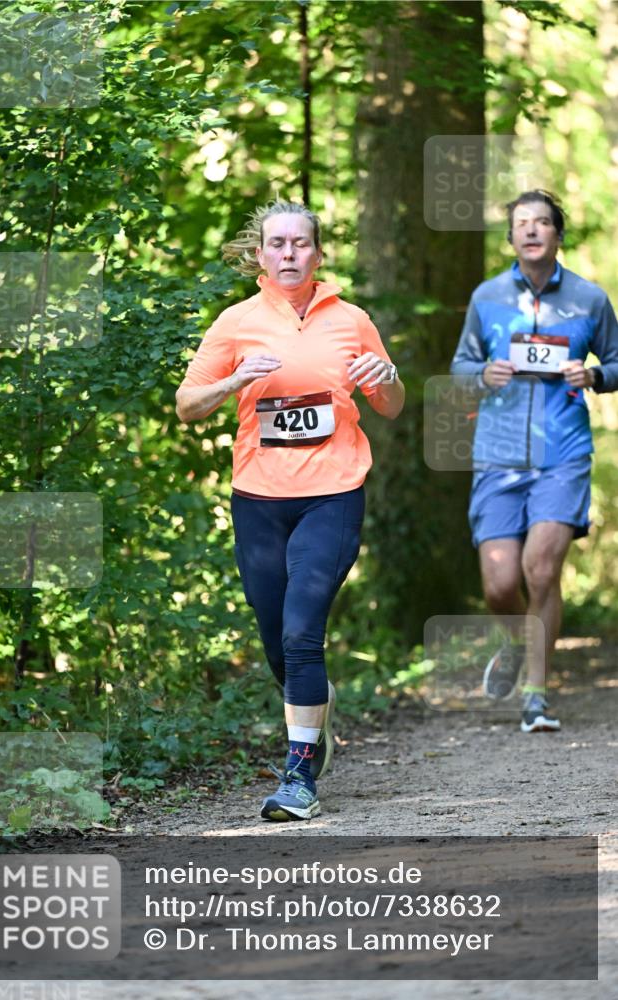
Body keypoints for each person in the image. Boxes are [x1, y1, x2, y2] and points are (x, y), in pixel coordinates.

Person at [176, 201, 404, 819]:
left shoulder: (351, 319)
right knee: (278, 637)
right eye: (276, 244)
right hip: (258, 500)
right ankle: (315, 708)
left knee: (304, 629)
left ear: (318, 255)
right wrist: (234, 380)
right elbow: (187, 404)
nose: (288, 254)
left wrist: (385, 376)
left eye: (300, 244)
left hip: (332, 493)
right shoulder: (236, 322)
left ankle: (299, 778)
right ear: (260, 255)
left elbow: (390, 405)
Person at [451, 189, 618, 733]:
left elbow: (616, 362)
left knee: (541, 569)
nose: (531, 230)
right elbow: (459, 367)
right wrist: (483, 375)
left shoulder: (590, 299)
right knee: (499, 585)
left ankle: (536, 698)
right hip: (498, 455)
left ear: (557, 234)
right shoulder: (488, 296)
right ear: (511, 237)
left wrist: (594, 375)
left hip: (563, 453)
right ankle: (515, 642)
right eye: (521, 223)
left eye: (542, 222)